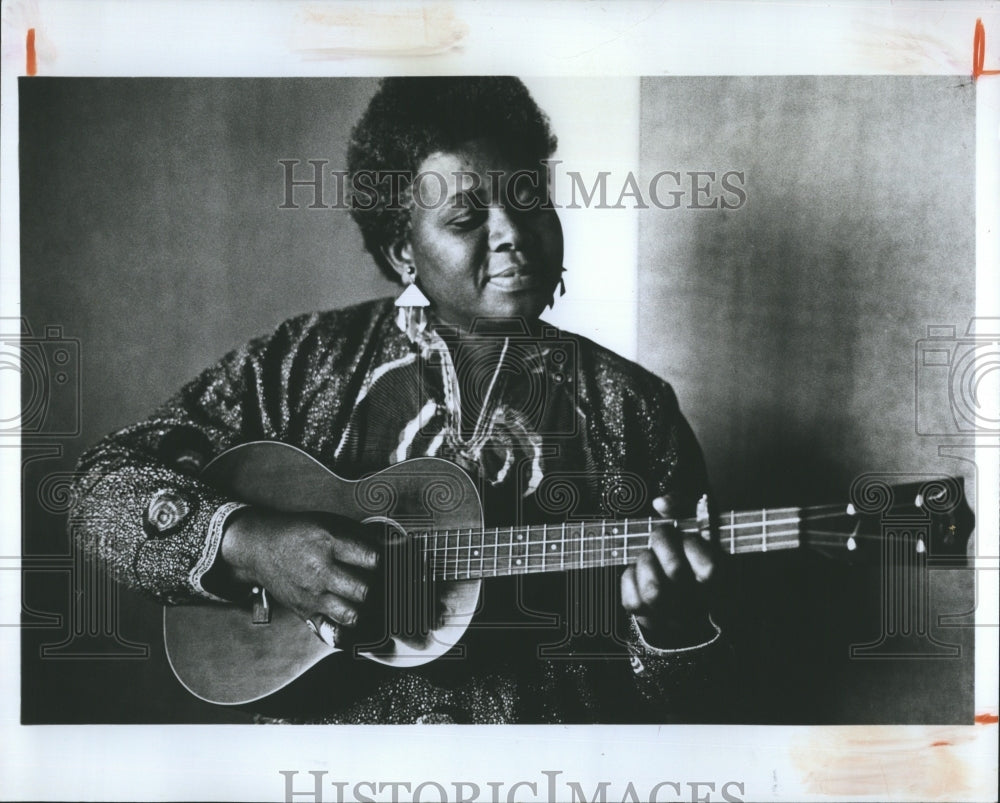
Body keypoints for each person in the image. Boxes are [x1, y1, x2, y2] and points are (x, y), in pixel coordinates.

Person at [69, 77, 731, 723]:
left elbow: (703, 709)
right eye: (469, 216)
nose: (512, 233)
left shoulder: (634, 407)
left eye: (529, 200)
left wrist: (670, 632)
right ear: (402, 250)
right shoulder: (304, 363)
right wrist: (250, 543)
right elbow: (99, 493)